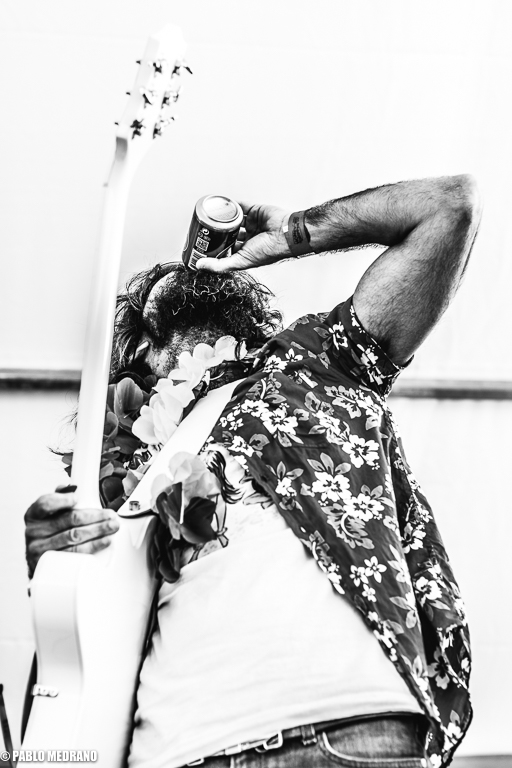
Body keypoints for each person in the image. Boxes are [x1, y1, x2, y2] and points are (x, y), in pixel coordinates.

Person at [24, 175, 481, 768]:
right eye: (152, 325)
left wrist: (297, 232)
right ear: (141, 366)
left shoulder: (318, 361)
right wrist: (53, 562)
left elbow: (449, 207)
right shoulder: (126, 473)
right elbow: (73, 676)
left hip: (351, 729)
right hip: (179, 751)